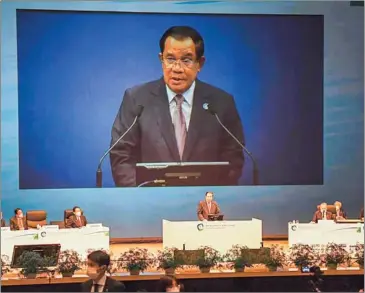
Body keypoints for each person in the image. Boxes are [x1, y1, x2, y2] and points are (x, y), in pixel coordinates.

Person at [110, 26, 245, 187]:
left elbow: (233, 159)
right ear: (161, 59)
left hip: (203, 202)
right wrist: (140, 198)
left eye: (186, 60)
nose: (177, 69)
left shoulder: (221, 103)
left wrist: (211, 198)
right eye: (170, 59)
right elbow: (121, 156)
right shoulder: (136, 99)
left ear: (199, 63)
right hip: (150, 203)